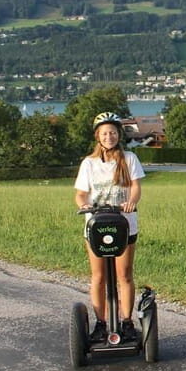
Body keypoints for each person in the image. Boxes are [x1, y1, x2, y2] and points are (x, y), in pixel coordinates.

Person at [74, 112, 145, 342]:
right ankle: (101, 323)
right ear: (98, 136)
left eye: (113, 132)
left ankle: (127, 322)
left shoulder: (129, 159)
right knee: (99, 276)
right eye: (104, 133)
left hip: (124, 224)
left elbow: (136, 187)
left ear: (118, 134)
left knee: (124, 274)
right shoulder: (89, 163)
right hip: (96, 225)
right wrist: (84, 204)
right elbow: (81, 193)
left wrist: (131, 202)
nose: (109, 137)